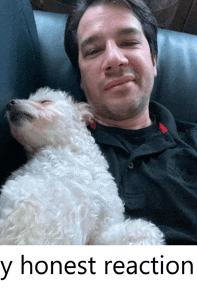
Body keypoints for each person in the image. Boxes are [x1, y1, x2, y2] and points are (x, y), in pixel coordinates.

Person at [64, 0, 197, 244]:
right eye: (93, 51)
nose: (114, 59)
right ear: (80, 80)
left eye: (129, 42)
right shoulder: (51, 140)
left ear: (154, 61)